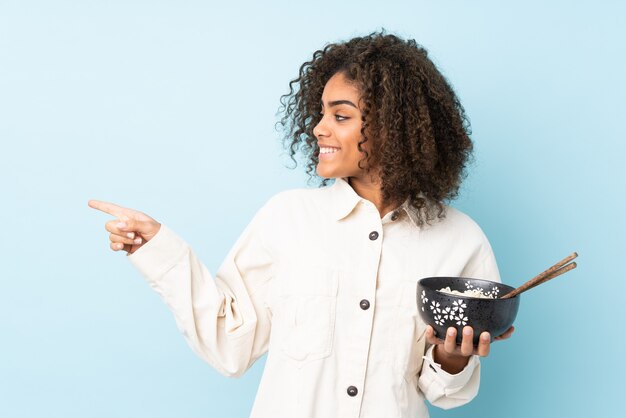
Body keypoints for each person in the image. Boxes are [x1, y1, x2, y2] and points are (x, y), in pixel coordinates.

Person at [89, 30, 514, 418]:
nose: (318, 128)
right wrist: (159, 249)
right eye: (321, 113)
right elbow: (228, 345)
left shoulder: (460, 240)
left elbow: (445, 393)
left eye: (340, 116)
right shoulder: (286, 218)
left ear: (394, 128)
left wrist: (453, 359)